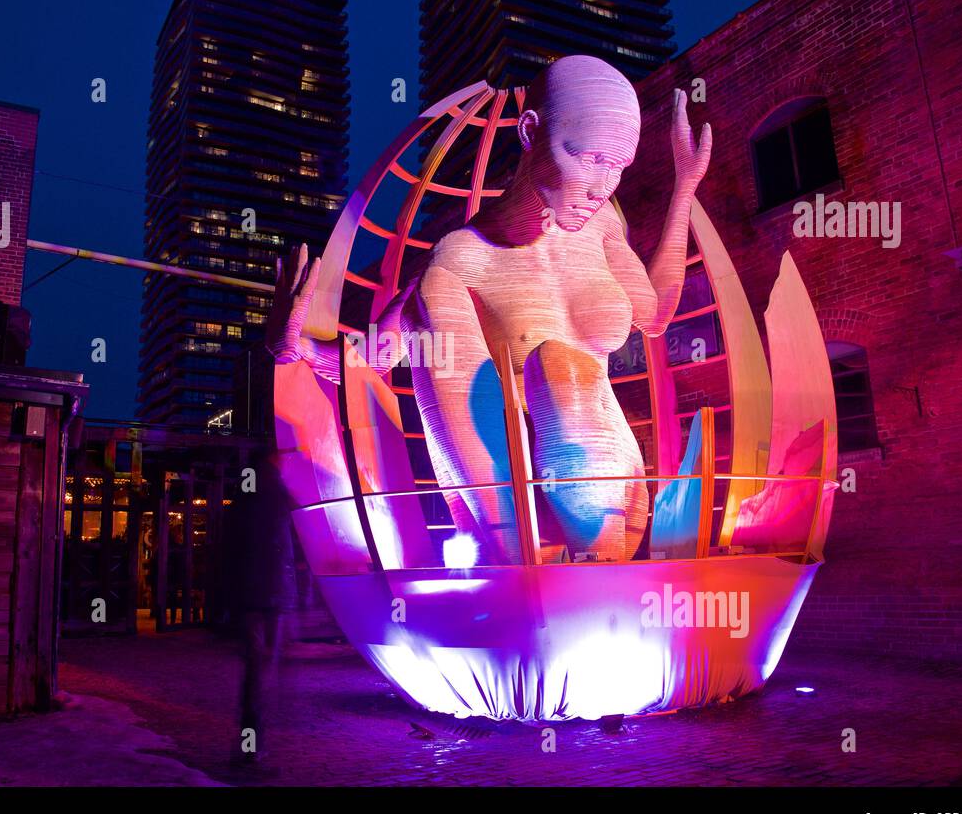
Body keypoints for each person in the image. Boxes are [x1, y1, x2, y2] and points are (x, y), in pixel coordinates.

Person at [267, 55, 711, 564]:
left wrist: (685, 188)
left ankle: (584, 558)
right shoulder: (462, 256)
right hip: (508, 500)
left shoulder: (602, 226)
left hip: (611, 497)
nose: (600, 188)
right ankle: (510, 546)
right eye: (587, 159)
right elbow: (373, 358)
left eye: (618, 166)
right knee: (450, 301)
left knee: (564, 369)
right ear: (529, 132)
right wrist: (295, 345)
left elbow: (654, 316)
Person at [224, 444, 297, 766]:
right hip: (267, 596)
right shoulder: (272, 491)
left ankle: (251, 744)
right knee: (260, 672)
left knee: (255, 672)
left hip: (252, 595)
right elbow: (279, 545)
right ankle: (252, 746)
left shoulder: (247, 489)